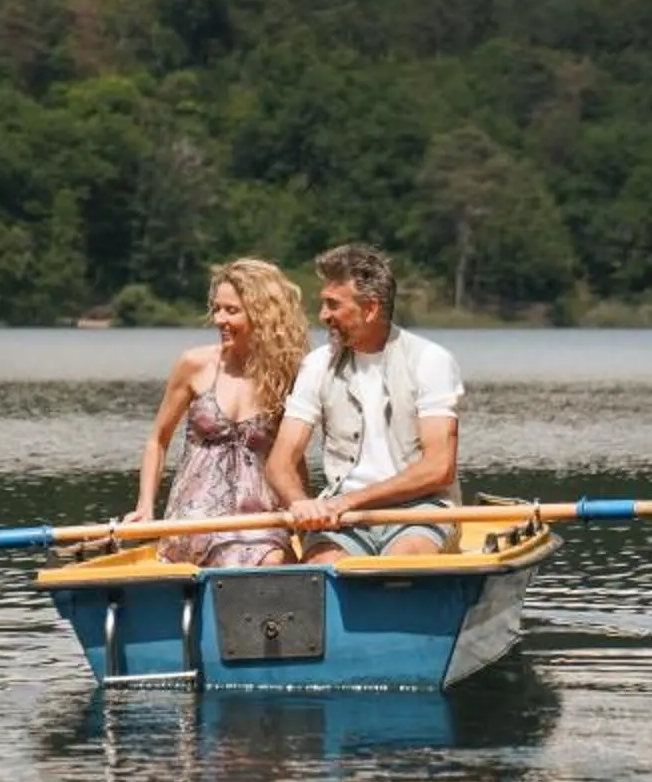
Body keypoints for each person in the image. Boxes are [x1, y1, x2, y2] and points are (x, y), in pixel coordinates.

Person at [267, 242, 463, 563]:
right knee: (321, 567)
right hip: (342, 516)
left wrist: (353, 501)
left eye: (333, 305)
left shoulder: (431, 360)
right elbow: (280, 462)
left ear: (370, 309)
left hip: (420, 510)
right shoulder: (317, 366)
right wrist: (300, 503)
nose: (323, 316)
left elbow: (438, 469)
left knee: (405, 564)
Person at [128, 258, 309, 567]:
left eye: (231, 310)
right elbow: (158, 440)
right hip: (196, 515)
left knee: (278, 559)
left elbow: (293, 456)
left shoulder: (284, 374)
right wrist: (145, 506)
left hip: (258, 517)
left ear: (262, 315)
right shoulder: (194, 365)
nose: (219, 319)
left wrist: (302, 512)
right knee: (256, 559)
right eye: (217, 308)